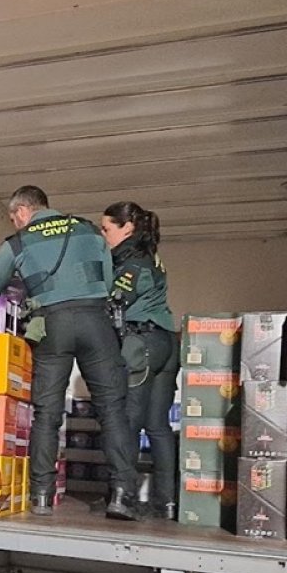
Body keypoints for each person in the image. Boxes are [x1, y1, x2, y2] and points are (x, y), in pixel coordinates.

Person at [0, 186, 139, 520]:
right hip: (96, 322)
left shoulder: (18, 242)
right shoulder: (88, 229)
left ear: (22, 211)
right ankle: (121, 495)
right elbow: (108, 281)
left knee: (47, 414)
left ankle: (40, 495)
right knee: (111, 409)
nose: (15, 223)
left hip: (52, 326)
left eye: (13, 218)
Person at [101, 201, 180, 520]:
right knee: (158, 426)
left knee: (128, 421)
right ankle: (167, 501)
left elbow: (115, 304)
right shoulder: (153, 257)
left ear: (127, 228)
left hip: (141, 343)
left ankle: (124, 497)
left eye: (106, 228)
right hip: (166, 343)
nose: (103, 235)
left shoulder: (132, 262)